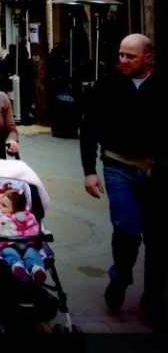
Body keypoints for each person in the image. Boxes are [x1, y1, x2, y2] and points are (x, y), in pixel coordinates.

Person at [79, 33, 165, 327]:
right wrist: (89, 170)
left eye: (131, 56)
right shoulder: (107, 85)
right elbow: (88, 128)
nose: (123, 61)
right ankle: (121, 276)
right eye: (121, 55)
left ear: (148, 58)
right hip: (117, 166)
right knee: (127, 229)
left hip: (156, 172)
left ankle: (153, 301)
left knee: (158, 240)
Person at [0, 183, 46, 285]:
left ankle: (36, 269)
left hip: (26, 244)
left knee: (32, 253)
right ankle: (17, 266)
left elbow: (33, 227)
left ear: (16, 209)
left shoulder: (25, 216)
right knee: (9, 253)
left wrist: (28, 239)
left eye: (4, 205)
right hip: (6, 245)